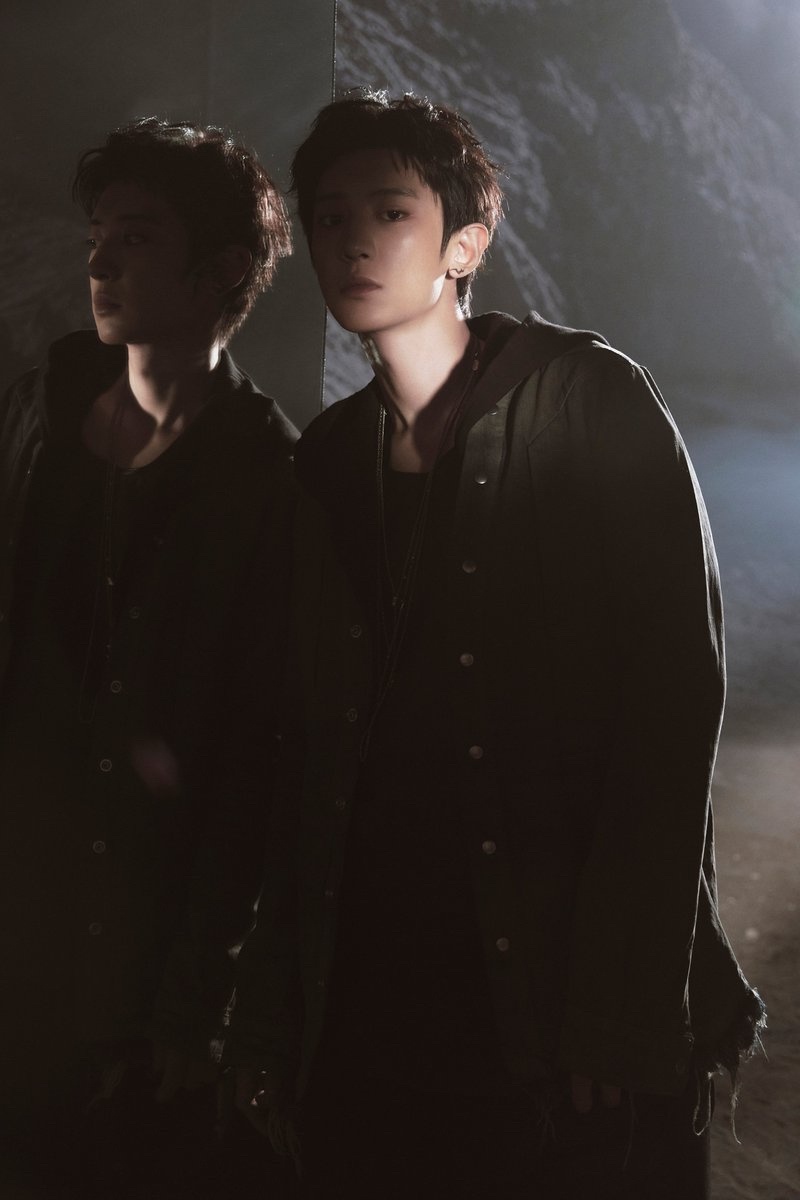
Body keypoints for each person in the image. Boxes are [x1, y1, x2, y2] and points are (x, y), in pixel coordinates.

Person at [230, 92, 765, 1199]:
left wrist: (617, 1005)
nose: (354, 241)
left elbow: (669, 711)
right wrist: (277, 1013)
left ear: (463, 245)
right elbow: (300, 755)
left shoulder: (587, 400)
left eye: (391, 211)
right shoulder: (326, 460)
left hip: (548, 982)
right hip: (376, 989)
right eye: (330, 216)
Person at [0, 118, 298, 1197]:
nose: (100, 263)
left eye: (135, 238)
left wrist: (199, 995)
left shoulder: (269, 478)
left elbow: (259, 757)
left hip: (139, 949)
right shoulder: (39, 415)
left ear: (221, 270)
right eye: (98, 237)